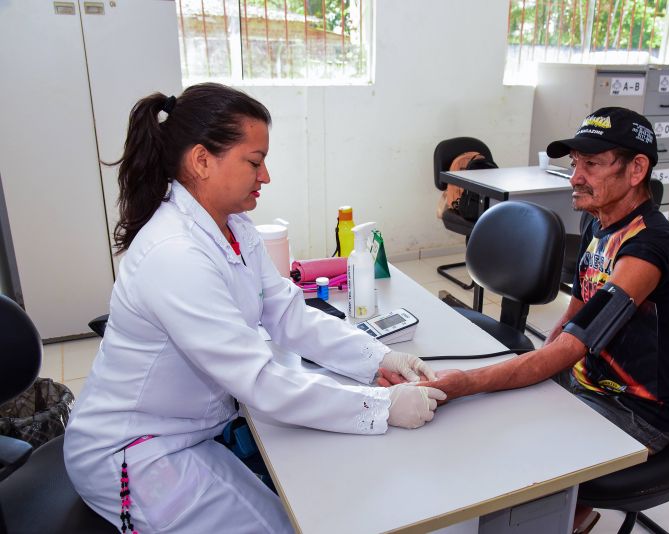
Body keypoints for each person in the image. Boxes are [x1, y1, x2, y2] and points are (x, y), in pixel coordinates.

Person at [64, 83, 446, 533]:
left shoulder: (234, 226)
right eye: (254, 161)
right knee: (284, 527)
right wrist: (381, 407)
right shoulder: (174, 255)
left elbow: (288, 313)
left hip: (193, 429)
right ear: (202, 160)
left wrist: (378, 357)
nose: (265, 177)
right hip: (138, 451)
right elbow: (260, 381)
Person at [381, 107, 669, 529]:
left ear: (637, 168)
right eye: (574, 164)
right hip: (587, 383)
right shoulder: (601, 220)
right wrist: (529, 371)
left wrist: (468, 383)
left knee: (504, 442)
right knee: (486, 414)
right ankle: (571, 511)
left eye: (591, 164)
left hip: (635, 414)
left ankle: (567, 512)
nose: (575, 178)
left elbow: (572, 346)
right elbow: (573, 317)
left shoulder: (648, 247)